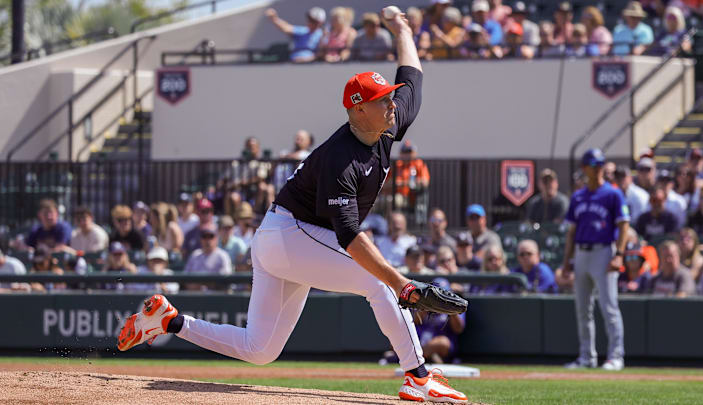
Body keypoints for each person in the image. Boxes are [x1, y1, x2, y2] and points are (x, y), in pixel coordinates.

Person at [117, 11, 468, 403]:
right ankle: (418, 377)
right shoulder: (342, 158)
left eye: (389, 97)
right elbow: (350, 237)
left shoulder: (384, 126)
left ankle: (169, 320)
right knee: (378, 280)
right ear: (356, 110)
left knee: (261, 349)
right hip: (291, 234)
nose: (390, 104)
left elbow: (413, 78)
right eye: (380, 100)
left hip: (289, 237)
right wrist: (401, 283)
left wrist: (402, 30)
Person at [562, 148, 629, 371]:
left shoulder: (612, 193)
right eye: (593, 164)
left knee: (609, 306)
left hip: (604, 251)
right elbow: (571, 232)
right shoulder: (578, 196)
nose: (597, 168)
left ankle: (616, 356)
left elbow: (624, 226)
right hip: (582, 252)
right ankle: (586, 357)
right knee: (583, 308)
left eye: (600, 164)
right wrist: (566, 263)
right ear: (585, 168)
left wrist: (619, 254)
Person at [414, 278, 466, 364]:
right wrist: (426, 306)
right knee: (400, 338)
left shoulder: (456, 306)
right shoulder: (424, 304)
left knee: (442, 342)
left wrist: (452, 309)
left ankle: (413, 358)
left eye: (443, 293)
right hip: (421, 341)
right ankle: (427, 357)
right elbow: (415, 322)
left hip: (442, 346)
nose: (440, 297)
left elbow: (458, 329)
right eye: (437, 294)